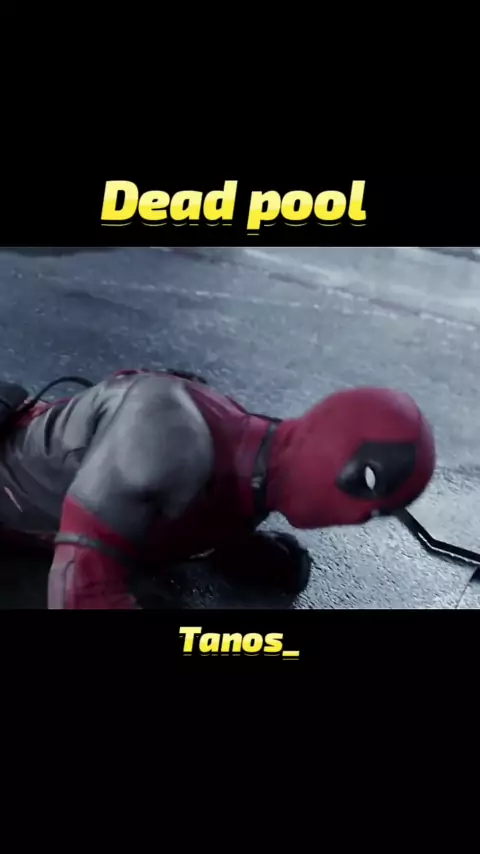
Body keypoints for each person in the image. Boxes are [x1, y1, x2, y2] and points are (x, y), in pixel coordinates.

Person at [0, 369, 436, 609]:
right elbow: (80, 593)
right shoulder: (169, 436)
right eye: (367, 490)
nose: (360, 519)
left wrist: (232, 548)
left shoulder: (256, 472)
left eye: (382, 512)